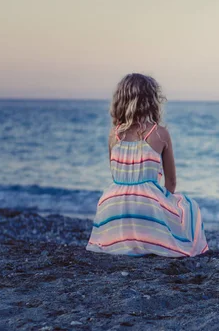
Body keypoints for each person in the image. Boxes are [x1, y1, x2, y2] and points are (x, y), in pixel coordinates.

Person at [86, 73, 208, 257]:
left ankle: (121, 239)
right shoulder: (159, 133)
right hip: (147, 207)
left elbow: (116, 175)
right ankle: (152, 237)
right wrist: (165, 209)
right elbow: (171, 182)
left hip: (111, 209)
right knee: (189, 206)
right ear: (152, 100)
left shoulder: (114, 134)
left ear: (120, 100)